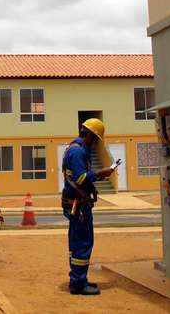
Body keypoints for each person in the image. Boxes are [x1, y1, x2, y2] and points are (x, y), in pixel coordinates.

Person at [62, 118, 115, 295]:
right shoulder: (78, 152)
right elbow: (80, 178)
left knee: (77, 243)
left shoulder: (74, 149)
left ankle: (78, 279)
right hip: (78, 207)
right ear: (91, 136)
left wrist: (92, 188)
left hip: (77, 203)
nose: (94, 144)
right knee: (83, 243)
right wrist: (102, 172)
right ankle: (78, 283)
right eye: (95, 139)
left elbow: (81, 179)